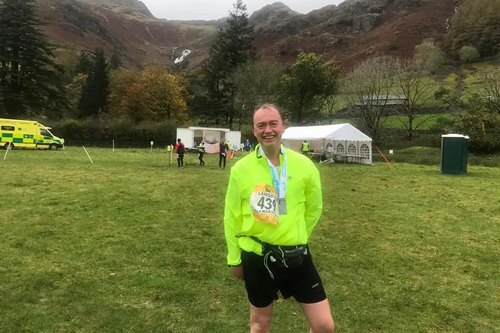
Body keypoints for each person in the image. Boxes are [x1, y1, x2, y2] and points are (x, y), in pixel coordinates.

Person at [224, 104, 334, 333]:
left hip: (297, 256)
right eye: (261, 125)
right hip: (258, 257)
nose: (268, 130)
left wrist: (297, 234)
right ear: (253, 131)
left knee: (324, 326)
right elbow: (231, 216)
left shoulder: (304, 165)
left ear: (283, 126)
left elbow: (314, 208)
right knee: (260, 325)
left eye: (273, 123)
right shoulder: (241, 169)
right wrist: (234, 259)